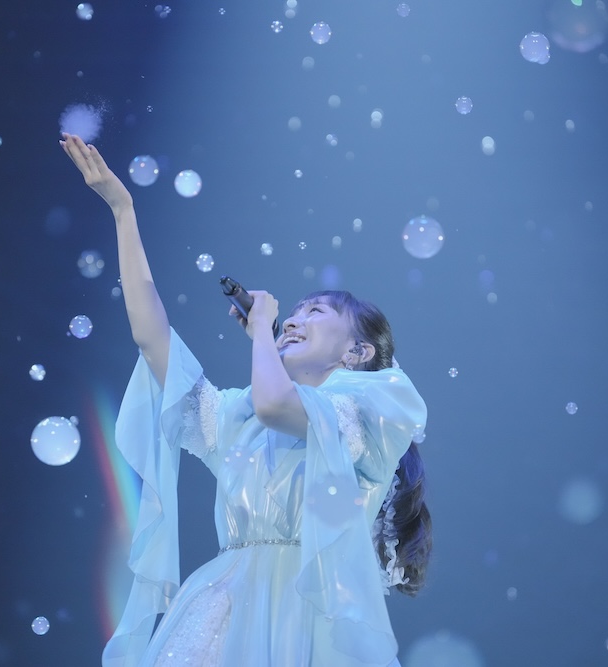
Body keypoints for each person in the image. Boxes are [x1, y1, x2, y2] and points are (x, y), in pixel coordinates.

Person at [60, 133, 431, 667]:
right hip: (222, 614)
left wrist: (262, 331)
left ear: (356, 351)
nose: (295, 319)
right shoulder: (237, 417)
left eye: (316, 312)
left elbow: (278, 406)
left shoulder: (368, 411)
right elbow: (152, 339)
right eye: (293, 311)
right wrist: (123, 211)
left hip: (309, 621)